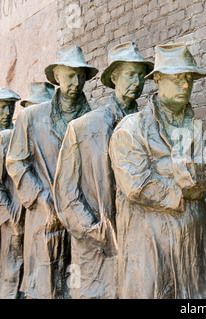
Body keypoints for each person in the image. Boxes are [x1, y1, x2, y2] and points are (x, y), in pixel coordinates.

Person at [109, 43, 206, 299]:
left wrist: (171, 170)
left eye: (189, 79)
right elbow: (137, 186)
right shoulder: (132, 129)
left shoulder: (196, 128)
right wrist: (186, 190)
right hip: (151, 248)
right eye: (177, 78)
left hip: (195, 247)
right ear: (158, 81)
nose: (185, 85)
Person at [53, 42, 153, 299]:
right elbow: (65, 193)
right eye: (131, 74)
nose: (138, 81)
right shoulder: (84, 127)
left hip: (140, 241)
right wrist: (95, 231)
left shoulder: (150, 126)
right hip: (95, 246)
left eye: (141, 75)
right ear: (114, 77)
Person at [6, 45, 98, 299]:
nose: (76, 82)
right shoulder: (32, 117)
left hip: (83, 214)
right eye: (70, 76)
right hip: (45, 215)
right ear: (57, 76)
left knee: (80, 285)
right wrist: (41, 198)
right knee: (45, 287)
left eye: (81, 76)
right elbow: (16, 162)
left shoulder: (94, 119)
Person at [0, 88, 24, 299]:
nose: (7, 112)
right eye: (3, 108)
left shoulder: (16, 133)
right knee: (10, 264)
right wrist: (8, 214)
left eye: (10, 107)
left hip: (18, 210)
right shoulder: (3, 138)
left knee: (16, 261)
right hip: (7, 213)